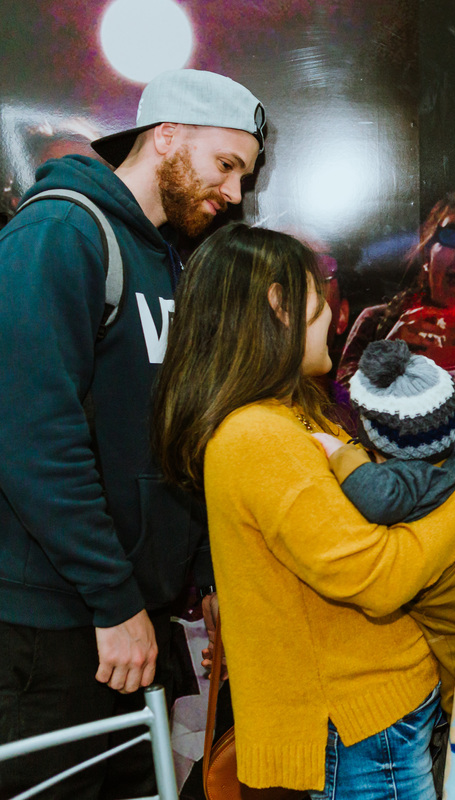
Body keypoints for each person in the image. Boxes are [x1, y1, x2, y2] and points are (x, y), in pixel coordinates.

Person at [0, 68, 265, 797]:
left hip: (126, 616)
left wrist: (198, 574)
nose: (235, 193)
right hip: (55, 628)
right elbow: (29, 435)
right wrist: (112, 600)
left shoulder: (166, 260)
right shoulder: (61, 232)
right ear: (167, 136)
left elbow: (165, 436)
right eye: (227, 165)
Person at [153, 224, 455, 796]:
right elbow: (377, 576)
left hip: (382, 705)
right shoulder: (257, 435)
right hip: (360, 723)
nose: (333, 313)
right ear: (280, 305)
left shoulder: (291, 413)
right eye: (318, 295)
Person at [312, 337, 455, 713]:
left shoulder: (410, 476)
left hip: (449, 610)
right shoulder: (444, 456)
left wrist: (340, 452)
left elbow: (378, 497)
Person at [337, 188, 455, 421]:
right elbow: (341, 414)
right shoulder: (377, 321)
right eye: (451, 236)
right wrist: (388, 353)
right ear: (427, 256)